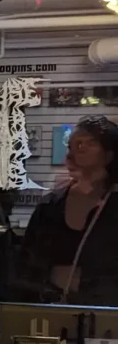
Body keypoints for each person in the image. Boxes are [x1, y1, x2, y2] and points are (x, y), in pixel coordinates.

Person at [17, 115, 118, 305]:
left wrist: (87, 283)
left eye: (85, 144)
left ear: (109, 154)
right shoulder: (51, 205)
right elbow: (27, 267)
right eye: (72, 146)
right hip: (51, 310)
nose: (75, 153)